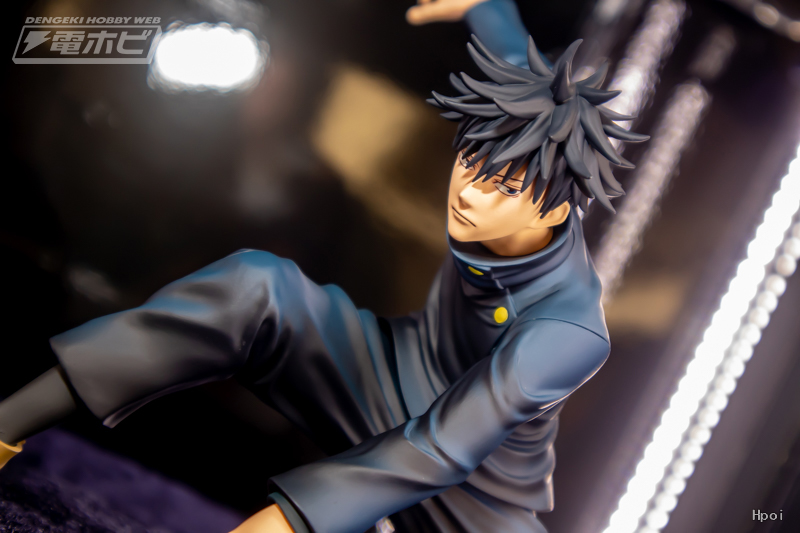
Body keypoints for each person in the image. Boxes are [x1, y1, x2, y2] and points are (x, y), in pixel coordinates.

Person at [0, 2, 648, 532]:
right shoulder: (526, 124)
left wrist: (288, 520)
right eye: (471, 163)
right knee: (256, 285)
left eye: (501, 187)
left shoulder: (568, 331)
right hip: (394, 373)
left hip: (471, 490)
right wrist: (487, 7)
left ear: (555, 208)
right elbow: (516, 63)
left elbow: (439, 447)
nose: (469, 194)